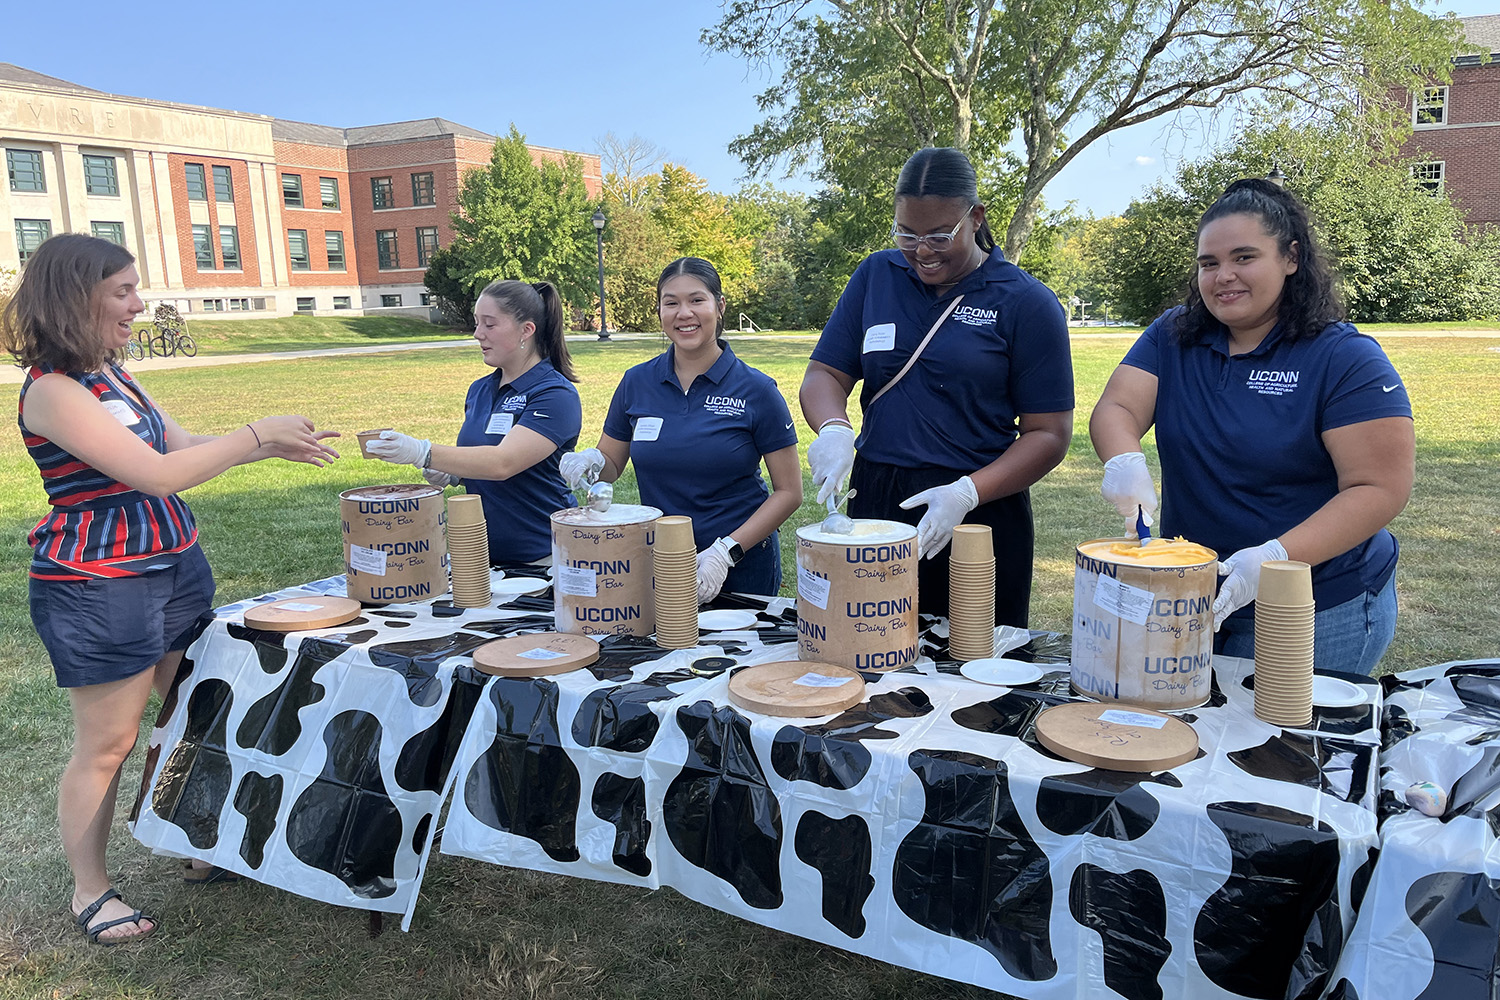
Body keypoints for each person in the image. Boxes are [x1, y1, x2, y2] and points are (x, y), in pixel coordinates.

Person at [3, 234, 339, 944]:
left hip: (175, 567)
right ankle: (90, 892)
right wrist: (254, 433)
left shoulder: (113, 374)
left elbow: (176, 447)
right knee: (109, 741)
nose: (139, 303)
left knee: (195, 710)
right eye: (122, 292)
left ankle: (200, 844)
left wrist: (271, 442)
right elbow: (152, 475)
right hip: (101, 586)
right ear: (76, 297)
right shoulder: (53, 392)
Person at [1090, 178, 1415, 674]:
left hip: (1315, 602)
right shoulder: (1175, 335)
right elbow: (1118, 407)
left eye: (1244, 257)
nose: (1223, 276)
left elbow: (1379, 488)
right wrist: (1124, 459)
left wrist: (1274, 557)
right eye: (1209, 263)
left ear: (1291, 257)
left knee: (1280, 745)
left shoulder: (1345, 358)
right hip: (1195, 592)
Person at [800, 147, 1074, 625]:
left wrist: (966, 493)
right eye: (906, 233)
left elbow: (1049, 434)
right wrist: (833, 429)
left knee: (970, 662)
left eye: (938, 235)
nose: (922, 250)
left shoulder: (1026, 302)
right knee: (867, 642)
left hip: (978, 508)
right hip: (878, 499)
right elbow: (825, 373)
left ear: (975, 218)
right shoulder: (877, 276)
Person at [559, 258, 801, 601]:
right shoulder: (637, 382)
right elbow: (611, 466)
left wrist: (725, 552)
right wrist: (593, 461)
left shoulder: (756, 390)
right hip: (664, 559)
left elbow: (789, 492)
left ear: (719, 306)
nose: (683, 313)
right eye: (671, 302)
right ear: (659, 311)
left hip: (741, 564)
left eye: (696, 300)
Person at [367, 280, 581, 565]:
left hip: (545, 553)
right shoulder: (480, 390)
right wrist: (452, 473)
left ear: (526, 330)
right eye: (477, 323)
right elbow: (481, 457)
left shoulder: (555, 394)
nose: (478, 334)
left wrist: (423, 452)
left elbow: (503, 463)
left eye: (490, 325)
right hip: (482, 555)